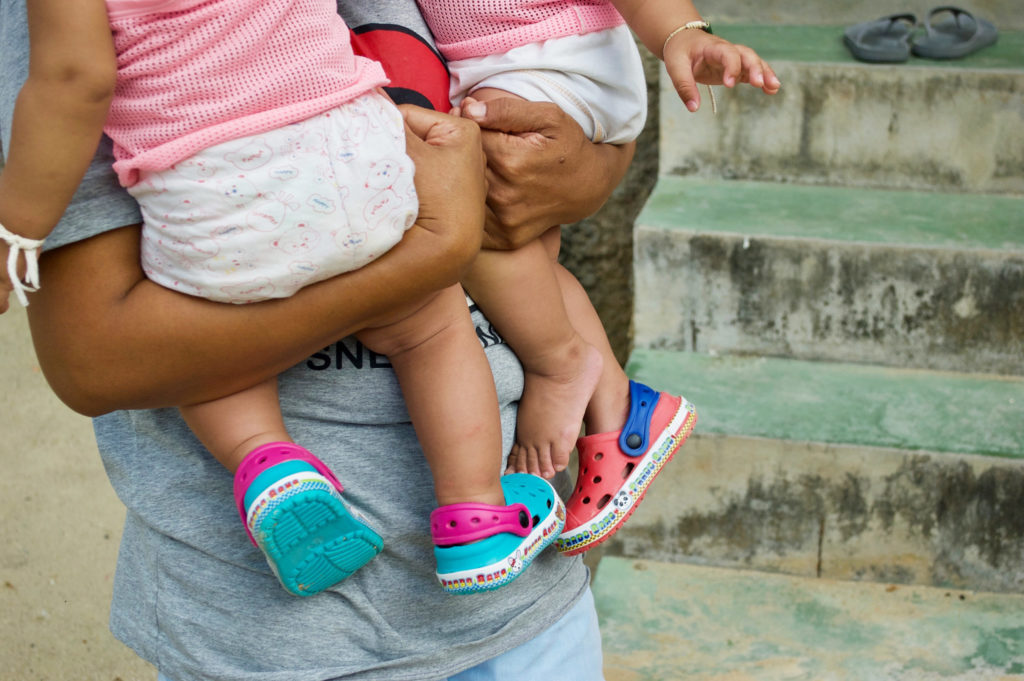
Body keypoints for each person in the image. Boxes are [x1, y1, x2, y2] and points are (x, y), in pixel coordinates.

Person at [1, 0, 640, 677]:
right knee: (428, 329)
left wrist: (592, 165)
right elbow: (94, 362)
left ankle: (266, 458)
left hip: (526, 611)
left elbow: (555, 74)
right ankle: (476, 507)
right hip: (276, 640)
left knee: (210, 293)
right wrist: (435, 249)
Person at [413, 0, 781, 554]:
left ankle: (560, 367)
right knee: (523, 254)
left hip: (555, 57)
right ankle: (622, 409)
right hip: (501, 63)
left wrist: (679, 32)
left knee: (462, 199)